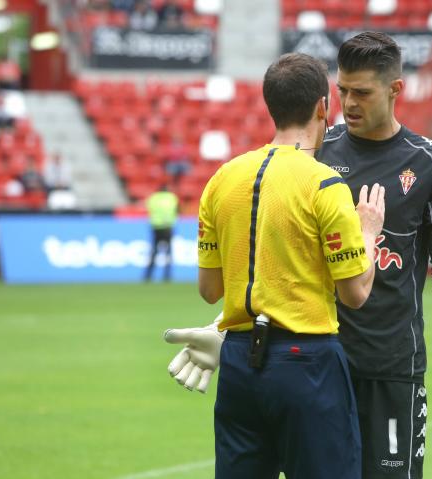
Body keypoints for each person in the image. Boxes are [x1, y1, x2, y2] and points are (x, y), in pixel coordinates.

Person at [166, 33, 432, 479]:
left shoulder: (431, 164)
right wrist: (225, 329)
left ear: (395, 90)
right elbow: (274, 250)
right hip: (316, 361)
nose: (349, 103)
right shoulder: (318, 149)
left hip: (388, 367)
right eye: (342, 90)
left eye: (362, 92)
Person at [165, 53, 385, 479]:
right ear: (323, 107)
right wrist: (369, 232)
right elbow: (355, 294)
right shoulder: (324, 183)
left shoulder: (222, 179)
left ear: (271, 106)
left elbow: (210, 290)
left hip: (238, 365)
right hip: (308, 362)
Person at [143, 184, 178, 282]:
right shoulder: (172, 198)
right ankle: (167, 276)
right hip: (168, 227)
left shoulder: (153, 198)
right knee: (168, 253)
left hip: (156, 227)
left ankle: (148, 276)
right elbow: (176, 210)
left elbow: (149, 210)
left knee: (154, 252)